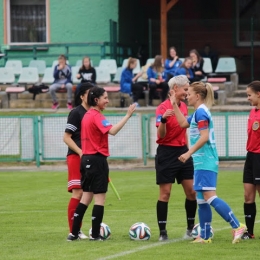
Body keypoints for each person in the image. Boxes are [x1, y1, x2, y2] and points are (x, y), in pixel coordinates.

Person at [171, 81, 247, 244]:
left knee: (209, 196)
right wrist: (174, 105)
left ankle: (237, 225)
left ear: (197, 96)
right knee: (201, 199)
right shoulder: (198, 112)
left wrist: (189, 152)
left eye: (189, 94)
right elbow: (183, 123)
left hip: (206, 160)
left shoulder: (201, 113)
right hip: (201, 162)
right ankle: (205, 236)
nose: (187, 96)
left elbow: (204, 137)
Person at [67, 86, 136, 241]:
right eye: (105, 98)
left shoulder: (86, 115)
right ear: (96, 100)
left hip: (86, 160)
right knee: (100, 200)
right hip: (97, 159)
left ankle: (73, 233)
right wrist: (127, 115)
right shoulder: (96, 116)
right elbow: (112, 131)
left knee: (85, 198)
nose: (107, 100)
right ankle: (96, 235)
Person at [155, 75, 197, 241]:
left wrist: (187, 150)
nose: (187, 93)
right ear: (174, 90)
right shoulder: (161, 108)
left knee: (192, 192)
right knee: (165, 193)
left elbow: (184, 129)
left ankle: (190, 228)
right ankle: (163, 232)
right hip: (166, 153)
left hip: (182, 152)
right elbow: (161, 134)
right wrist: (164, 120)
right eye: (185, 89)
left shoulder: (184, 107)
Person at [63, 83, 93, 240]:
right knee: (78, 192)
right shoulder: (76, 113)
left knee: (88, 193)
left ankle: (81, 228)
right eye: (90, 93)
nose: (93, 96)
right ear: (82, 96)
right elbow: (66, 137)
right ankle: (74, 230)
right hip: (76, 157)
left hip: (91, 159)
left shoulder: (95, 113)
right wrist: (80, 152)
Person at [241, 81, 260, 240]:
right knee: (248, 196)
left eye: (249, 95)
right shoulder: (252, 111)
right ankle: (250, 232)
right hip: (250, 156)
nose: (248, 98)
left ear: (258, 94)